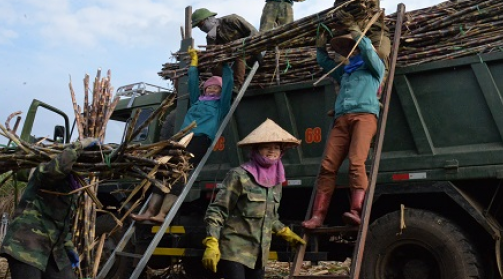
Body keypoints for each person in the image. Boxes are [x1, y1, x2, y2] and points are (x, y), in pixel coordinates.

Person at [132, 47, 233, 223]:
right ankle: (149, 212)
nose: (212, 90)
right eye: (210, 87)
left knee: (179, 173)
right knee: (163, 171)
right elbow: (193, 83)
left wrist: (225, 66)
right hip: (182, 139)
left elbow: (229, 85)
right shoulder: (197, 101)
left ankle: (162, 214)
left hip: (200, 139)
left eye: (216, 88)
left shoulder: (220, 106)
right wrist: (193, 65)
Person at [202, 119, 305, 278]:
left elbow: (269, 217)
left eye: (276, 147)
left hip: (259, 254)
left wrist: (284, 232)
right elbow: (217, 211)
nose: (272, 151)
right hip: (234, 250)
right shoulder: (239, 176)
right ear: (256, 150)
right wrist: (212, 242)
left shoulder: (276, 181)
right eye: (266, 147)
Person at [302, 30, 385, 229]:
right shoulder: (345, 73)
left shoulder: (374, 68)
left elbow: (368, 51)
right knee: (327, 167)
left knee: (356, 162)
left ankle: (356, 211)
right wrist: (320, 48)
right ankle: (318, 216)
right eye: (349, 51)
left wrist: (359, 36)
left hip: (364, 117)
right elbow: (325, 63)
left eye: (354, 50)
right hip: (341, 120)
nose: (352, 53)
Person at [0, 137, 98, 279]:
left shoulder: (71, 191)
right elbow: (57, 168)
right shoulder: (44, 173)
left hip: (53, 249)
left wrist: (68, 246)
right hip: (25, 244)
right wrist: (79, 145)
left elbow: (61, 224)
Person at [321, 0, 390, 63]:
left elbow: (370, 20)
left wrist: (351, 23)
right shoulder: (339, 3)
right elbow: (339, 25)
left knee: (380, 57)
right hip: (351, 38)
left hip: (373, 33)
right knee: (341, 62)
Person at [191, 8, 260, 88]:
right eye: (199, 27)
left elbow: (255, 34)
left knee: (239, 52)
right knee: (213, 63)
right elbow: (211, 55)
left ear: (209, 19)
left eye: (201, 24)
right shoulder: (210, 37)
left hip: (250, 51)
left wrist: (240, 43)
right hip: (232, 60)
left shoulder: (232, 20)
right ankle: (225, 84)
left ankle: (237, 85)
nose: (201, 28)